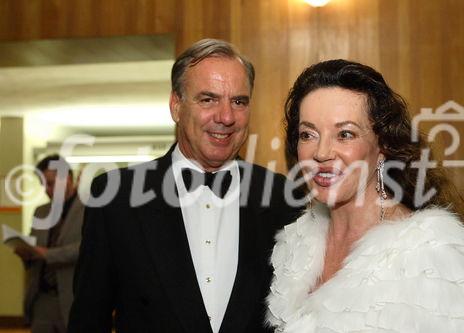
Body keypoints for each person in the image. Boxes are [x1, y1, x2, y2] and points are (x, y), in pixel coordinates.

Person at [68, 38, 302, 333]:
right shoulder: (115, 196)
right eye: (208, 99)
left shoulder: (282, 196)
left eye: (239, 101)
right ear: (176, 106)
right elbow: (88, 318)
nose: (226, 117)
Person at [266, 59, 464, 332]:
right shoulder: (297, 243)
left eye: (345, 134)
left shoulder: (429, 253)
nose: (321, 152)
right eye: (308, 134)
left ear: (383, 145)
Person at [14, 154, 85, 333]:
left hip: (74, 297)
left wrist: (46, 253)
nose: (47, 190)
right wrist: (27, 254)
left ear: (68, 178)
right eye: (43, 184)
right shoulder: (40, 212)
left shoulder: (89, 209)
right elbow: (34, 246)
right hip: (42, 299)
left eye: (51, 183)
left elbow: (85, 249)